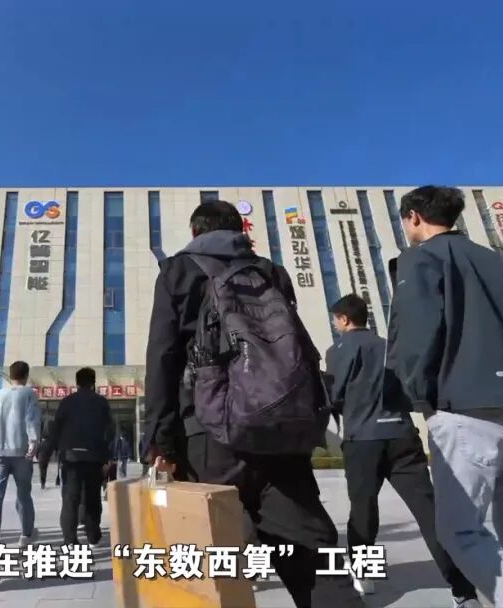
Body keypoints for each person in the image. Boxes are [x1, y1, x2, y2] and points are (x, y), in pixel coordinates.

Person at [142, 200, 364, 608]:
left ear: (196, 232)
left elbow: (162, 356)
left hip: (207, 433)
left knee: (209, 561)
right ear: (240, 230)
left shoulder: (178, 271)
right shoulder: (270, 272)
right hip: (279, 429)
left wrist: (159, 439)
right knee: (311, 553)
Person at [387, 186, 503, 608]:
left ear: (414, 217)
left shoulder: (421, 259)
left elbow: (415, 333)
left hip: (465, 406)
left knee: (461, 532)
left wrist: (416, 396)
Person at [325, 294, 480, 607]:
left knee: (363, 511)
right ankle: (463, 591)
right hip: (402, 436)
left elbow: (334, 393)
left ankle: (364, 576)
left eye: (335, 319)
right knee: (429, 512)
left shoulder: (339, 349)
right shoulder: (389, 347)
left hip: (362, 439)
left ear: (343, 319)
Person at [41, 367, 114, 547]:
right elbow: (110, 432)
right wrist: (108, 457)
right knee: (92, 497)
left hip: (71, 458)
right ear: (93, 382)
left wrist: (45, 458)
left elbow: (55, 431)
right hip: (94, 458)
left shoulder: (67, 402)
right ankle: (93, 534)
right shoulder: (101, 402)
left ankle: (70, 540)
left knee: (70, 499)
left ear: (77, 382)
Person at [0, 361, 41, 552]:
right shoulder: (29, 394)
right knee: (23, 495)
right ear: (26, 375)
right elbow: (32, 420)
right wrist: (33, 443)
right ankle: (26, 535)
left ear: (10, 375)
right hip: (22, 453)